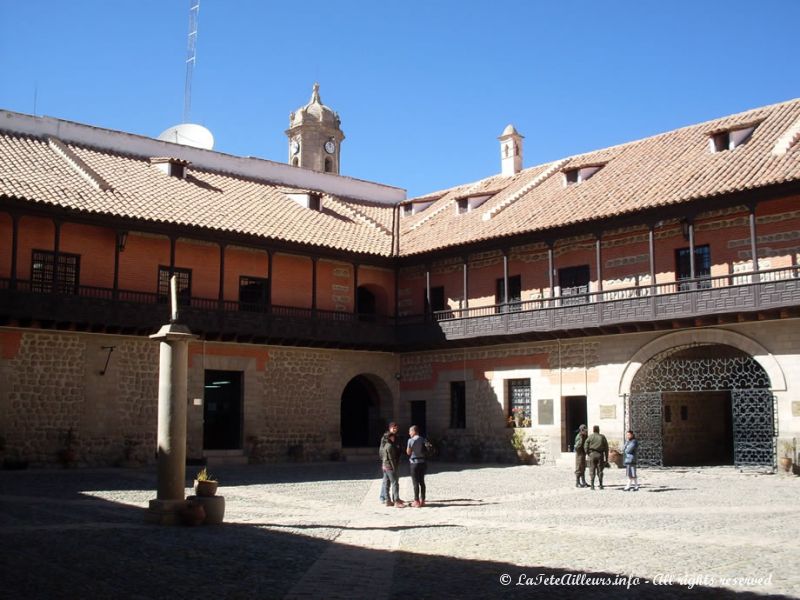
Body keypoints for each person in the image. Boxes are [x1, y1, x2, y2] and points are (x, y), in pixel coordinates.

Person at [378, 423, 401, 505]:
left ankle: (393, 497)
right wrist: (384, 460)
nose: (395, 429)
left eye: (396, 428)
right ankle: (383, 497)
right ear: (390, 428)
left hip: (394, 461)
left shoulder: (396, 437)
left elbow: (397, 448)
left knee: (393, 480)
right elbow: (381, 450)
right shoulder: (385, 437)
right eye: (393, 428)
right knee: (386, 481)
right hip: (388, 462)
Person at [380, 430, 405, 507]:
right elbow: (391, 458)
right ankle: (396, 501)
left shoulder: (385, 445)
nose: (394, 438)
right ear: (389, 438)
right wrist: (394, 468)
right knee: (395, 483)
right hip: (390, 467)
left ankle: (388, 500)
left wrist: (383, 465)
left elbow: (382, 455)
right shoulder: (390, 446)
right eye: (392, 436)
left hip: (385, 466)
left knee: (387, 484)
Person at [406, 425, 427, 507]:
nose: (409, 433)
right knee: (422, 482)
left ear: (414, 431)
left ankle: (416, 501)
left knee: (415, 482)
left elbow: (408, 452)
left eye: (410, 431)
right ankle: (423, 500)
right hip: (423, 462)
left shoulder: (410, 440)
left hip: (414, 463)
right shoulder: (423, 439)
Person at [583, 425, 608, 490]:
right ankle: (600, 484)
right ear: (598, 430)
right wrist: (606, 457)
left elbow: (585, 445)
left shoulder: (590, 437)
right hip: (600, 454)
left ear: (593, 430)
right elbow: (606, 448)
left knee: (592, 469)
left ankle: (592, 485)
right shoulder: (602, 437)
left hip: (592, 454)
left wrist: (588, 453)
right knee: (600, 470)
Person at [573, 424, 589, 488]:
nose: (586, 432)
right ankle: (577, 482)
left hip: (583, 453)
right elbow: (577, 446)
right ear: (581, 430)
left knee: (583, 467)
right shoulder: (579, 436)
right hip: (579, 454)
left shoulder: (585, 436)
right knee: (578, 467)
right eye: (584, 430)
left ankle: (583, 481)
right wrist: (581, 439)